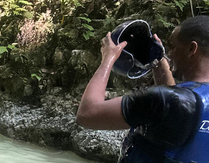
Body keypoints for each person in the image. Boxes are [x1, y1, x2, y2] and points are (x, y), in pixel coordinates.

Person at [76, 15, 209, 163]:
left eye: (173, 47)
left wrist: (108, 58)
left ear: (192, 48)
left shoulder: (165, 100)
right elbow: (180, 111)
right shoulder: (184, 102)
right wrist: (159, 64)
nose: (169, 54)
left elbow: (87, 114)